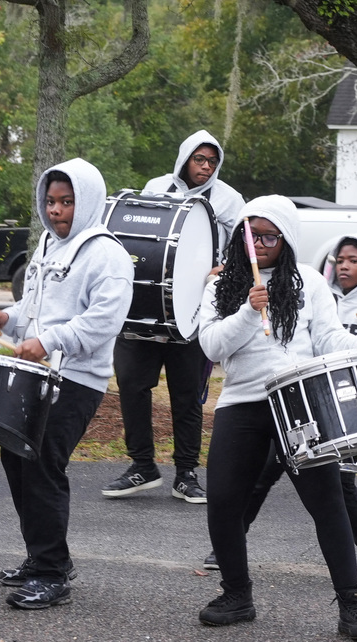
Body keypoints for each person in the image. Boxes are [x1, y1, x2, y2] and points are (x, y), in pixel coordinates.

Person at [197, 195, 357, 641]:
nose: (258, 243)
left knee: (326, 501)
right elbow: (211, 347)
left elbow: (328, 338)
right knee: (222, 499)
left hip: (297, 399)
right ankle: (237, 594)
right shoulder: (221, 286)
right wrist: (247, 310)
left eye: (268, 236)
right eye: (250, 234)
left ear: (286, 239)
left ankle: (352, 604)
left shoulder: (311, 284)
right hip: (241, 400)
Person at [0, 158, 134, 608]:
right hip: (39, 373)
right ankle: (42, 556)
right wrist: (7, 320)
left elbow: (103, 321)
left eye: (66, 202)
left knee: (43, 460)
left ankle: (52, 574)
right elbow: (33, 305)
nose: (56, 211)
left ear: (85, 201)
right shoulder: (48, 243)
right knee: (14, 455)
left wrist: (49, 341)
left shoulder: (108, 254)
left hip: (78, 378)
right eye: (50, 202)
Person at [102, 130, 244, 503]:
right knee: (132, 387)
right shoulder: (157, 187)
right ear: (184, 159)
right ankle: (142, 466)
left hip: (194, 315)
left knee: (186, 396)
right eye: (199, 159)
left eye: (212, 161)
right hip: (146, 309)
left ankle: (186, 474)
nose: (206, 167)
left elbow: (244, 252)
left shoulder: (229, 200)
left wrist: (223, 272)